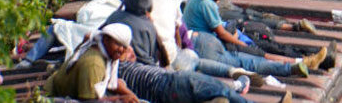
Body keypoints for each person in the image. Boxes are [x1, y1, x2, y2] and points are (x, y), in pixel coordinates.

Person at [183, 0, 308, 78]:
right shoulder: (207, 4)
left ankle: (292, 64)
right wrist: (239, 42)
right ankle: (290, 66)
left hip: (201, 40)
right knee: (247, 59)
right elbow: (221, 33)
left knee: (249, 54)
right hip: (206, 44)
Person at [44, 23, 140, 103]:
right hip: (58, 97)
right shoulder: (94, 63)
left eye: (124, 46)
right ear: (106, 39)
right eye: (118, 44)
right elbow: (87, 101)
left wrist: (130, 95)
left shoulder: (103, 53)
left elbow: (110, 82)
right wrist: (119, 99)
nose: (121, 50)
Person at [116, 59, 287, 103]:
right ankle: (237, 86)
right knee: (219, 88)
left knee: (215, 91)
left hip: (166, 88)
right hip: (169, 82)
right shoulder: (113, 72)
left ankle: (234, 87)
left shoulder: (117, 65)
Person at [103, 0, 167, 67]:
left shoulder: (114, 16)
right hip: (142, 70)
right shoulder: (148, 26)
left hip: (113, 64)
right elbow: (153, 57)